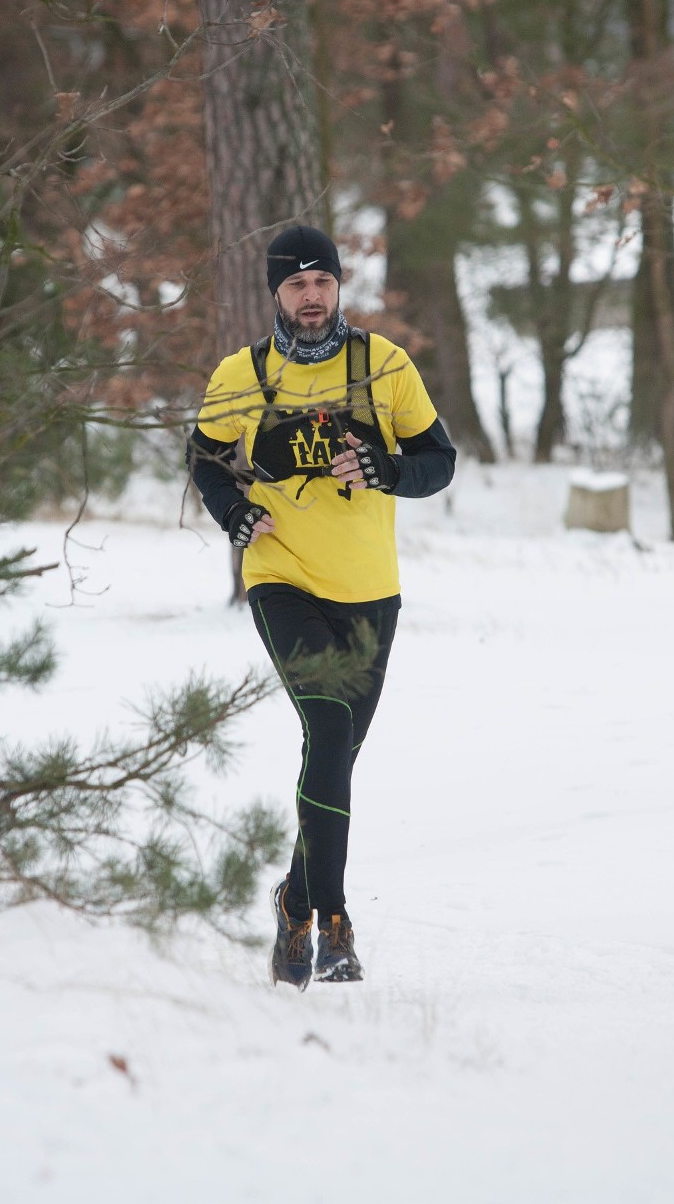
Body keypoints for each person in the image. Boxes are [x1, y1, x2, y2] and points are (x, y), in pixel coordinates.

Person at [187, 224, 455, 990]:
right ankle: (329, 923)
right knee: (329, 726)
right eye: (297, 284)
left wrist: (388, 468)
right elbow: (203, 458)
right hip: (283, 576)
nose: (312, 296)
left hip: (371, 587)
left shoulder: (383, 366)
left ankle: (291, 896)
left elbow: (439, 462)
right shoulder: (243, 374)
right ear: (276, 292)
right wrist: (233, 514)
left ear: (340, 287)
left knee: (335, 756)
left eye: (323, 283)